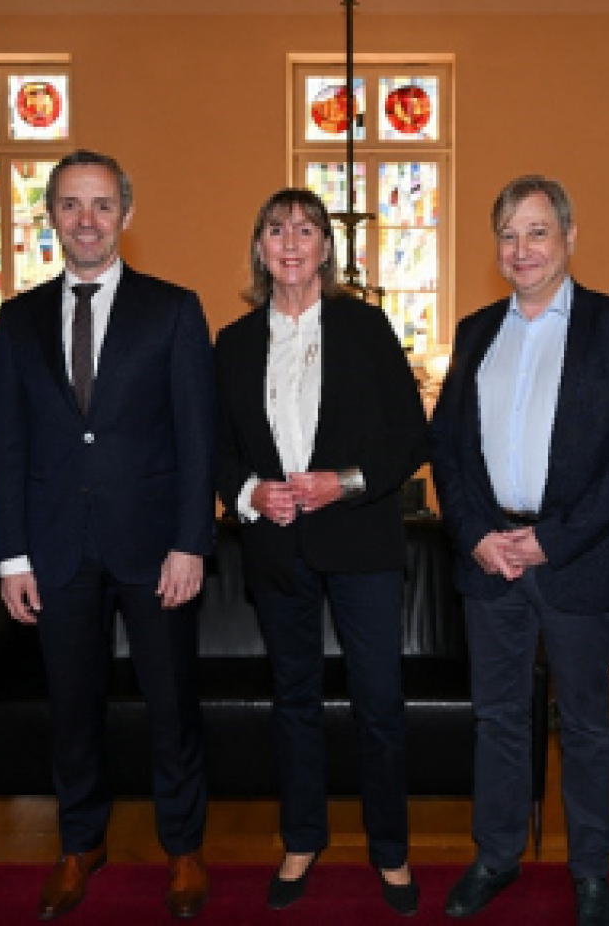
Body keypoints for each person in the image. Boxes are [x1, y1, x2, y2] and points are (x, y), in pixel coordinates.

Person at [430, 175, 609, 926]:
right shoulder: (474, 332)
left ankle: (591, 867)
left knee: (589, 725)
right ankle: (496, 855)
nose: (521, 248)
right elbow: (450, 448)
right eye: (508, 233)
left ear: (568, 236)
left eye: (537, 232)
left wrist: (551, 539)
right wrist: (475, 534)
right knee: (496, 718)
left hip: (576, 557)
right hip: (492, 559)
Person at [0, 150, 216, 919]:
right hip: (54, 550)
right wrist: (9, 553)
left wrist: (192, 541)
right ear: (50, 215)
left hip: (156, 550)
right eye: (71, 205)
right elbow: (9, 445)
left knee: (171, 703)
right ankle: (80, 841)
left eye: (102, 204)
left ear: (127, 214)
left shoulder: (175, 309)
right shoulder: (16, 319)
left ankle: (183, 846)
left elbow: (197, 437)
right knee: (71, 703)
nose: (87, 220)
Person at [214, 188, 428, 915]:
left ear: (327, 247)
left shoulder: (366, 328)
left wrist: (347, 482)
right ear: (261, 247)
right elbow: (216, 449)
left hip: (361, 541)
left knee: (378, 703)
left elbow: (409, 437)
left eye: (306, 229)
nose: (291, 241)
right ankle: (301, 837)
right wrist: (249, 493)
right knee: (295, 702)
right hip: (277, 549)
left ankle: (390, 850)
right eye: (276, 229)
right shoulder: (235, 342)